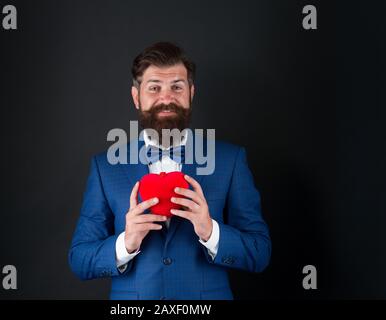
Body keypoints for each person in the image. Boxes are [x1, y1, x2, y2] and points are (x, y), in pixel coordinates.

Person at [68, 42, 271, 300]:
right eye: (154, 88)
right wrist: (126, 242)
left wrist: (211, 231)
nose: (166, 98)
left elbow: (260, 253)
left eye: (177, 87)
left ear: (191, 93)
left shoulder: (230, 160)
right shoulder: (105, 167)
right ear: (136, 96)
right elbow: (79, 259)